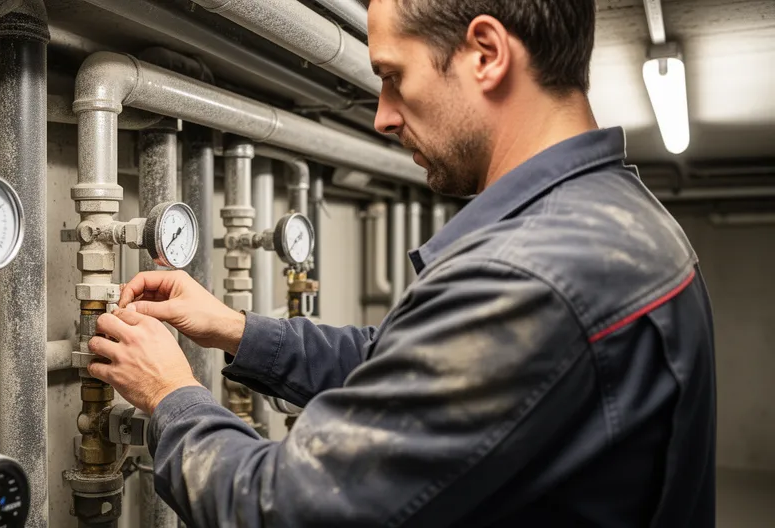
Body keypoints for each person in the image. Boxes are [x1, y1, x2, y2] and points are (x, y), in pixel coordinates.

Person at [85, 0, 717, 526]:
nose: (384, 114)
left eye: (393, 76)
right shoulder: (612, 219)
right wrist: (235, 328)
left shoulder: (532, 274)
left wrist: (172, 396)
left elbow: (285, 509)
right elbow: (408, 367)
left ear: (487, 53)